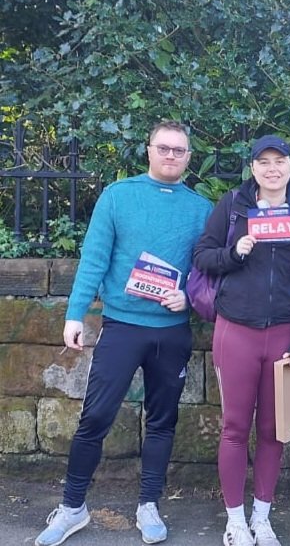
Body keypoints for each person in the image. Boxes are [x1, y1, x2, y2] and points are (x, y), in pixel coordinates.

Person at [35, 120, 213, 546]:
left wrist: (189, 298)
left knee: (163, 420)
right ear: (148, 150)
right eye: (164, 148)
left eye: (179, 150)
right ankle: (73, 507)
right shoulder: (118, 196)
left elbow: (208, 272)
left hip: (172, 332)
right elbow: (94, 256)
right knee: (95, 417)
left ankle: (149, 503)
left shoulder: (202, 209)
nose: (171, 155)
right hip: (122, 326)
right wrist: (75, 313)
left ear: (189, 158)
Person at [192, 135, 290, 546]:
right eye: (263, 162)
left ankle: (262, 517)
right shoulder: (233, 206)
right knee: (234, 428)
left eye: (279, 161)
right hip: (236, 331)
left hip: (284, 333)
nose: (271, 168)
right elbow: (202, 256)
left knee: (273, 430)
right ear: (253, 168)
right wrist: (235, 252)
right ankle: (235, 520)